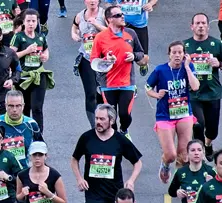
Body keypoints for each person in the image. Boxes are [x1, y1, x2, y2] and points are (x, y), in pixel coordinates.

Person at [71, 104, 142, 203]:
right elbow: (74, 159)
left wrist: (131, 180)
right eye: (97, 118)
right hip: (93, 193)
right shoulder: (87, 138)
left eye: (102, 119)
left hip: (114, 193)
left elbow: (137, 162)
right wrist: (79, 179)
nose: (98, 122)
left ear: (112, 121)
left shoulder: (120, 140)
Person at [146, 41, 200, 183]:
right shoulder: (160, 70)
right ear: (169, 54)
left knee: (183, 155)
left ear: (184, 54)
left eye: (180, 52)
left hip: (184, 114)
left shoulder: (188, 67)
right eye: (174, 52)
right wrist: (156, 95)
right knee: (170, 154)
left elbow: (195, 87)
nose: (177, 55)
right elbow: (147, 87)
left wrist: (187, 67)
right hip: (165, 116)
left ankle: (180, 181)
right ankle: (165, 164)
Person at [89, 5, 145, 139]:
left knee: (125, 114)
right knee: (110, 116)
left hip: (127, 82)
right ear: (109, 19)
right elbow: (93, 60)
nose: (122, 17)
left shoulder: (131, 33)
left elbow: (141, 52)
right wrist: (106, 59)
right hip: (108, 83)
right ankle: (114, 140)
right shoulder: (101, 37)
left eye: (122, 14)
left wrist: (134, 56)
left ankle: (124, 130)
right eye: (118, 15)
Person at [185, 13, 222, 160]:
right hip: (194, 93)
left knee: (212, 131)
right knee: (198, 125)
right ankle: (198, 154)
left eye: (203, 23)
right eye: (197, 23)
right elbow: (175, 65)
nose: (200, 26)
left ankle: (208, 143)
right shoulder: (185, 45)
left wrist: (218, 64)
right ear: (192, 26)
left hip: (213, 92)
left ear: (208, 26)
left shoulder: (217, 44)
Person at [11, 9, 53, 134]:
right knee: (25, 108)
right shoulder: (18, 37)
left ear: (37, 22)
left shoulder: (40, 37)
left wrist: (45, 56)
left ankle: (38, 135)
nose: (31, 24)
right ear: (23, 22)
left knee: (37, 108)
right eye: (28, 21)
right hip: (23, 77)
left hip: (38, 76)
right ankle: (24, 133)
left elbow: (45, 50)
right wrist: (26, 51)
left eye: (33, 21)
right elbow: (11, 56)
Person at [0, 91, 43, 169]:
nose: (14, 110)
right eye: (11, 106)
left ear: (23, 106)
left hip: (24, 172)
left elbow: (41, 148)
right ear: (6, 106)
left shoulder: (31, 124)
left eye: (18, 106)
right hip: (2, 171)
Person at [71, 0, 107, 128]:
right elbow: (74, 25)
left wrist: (97, 24)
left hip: (103, 60)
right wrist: (74, 34)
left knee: (104, 94)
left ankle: (108, 123)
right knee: (90, 93)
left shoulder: (104, 15)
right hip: (86, 59)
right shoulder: (80, 15)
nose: (92, 1)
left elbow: (111, 32)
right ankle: (94, 127)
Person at [105, 0, 156, 76]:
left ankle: (143, 65)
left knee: (143, 60)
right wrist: (113, 8)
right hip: (121, 25)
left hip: (140, 25)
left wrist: (150, 4)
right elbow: (107, 3)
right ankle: (129, 82)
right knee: (120, 55)